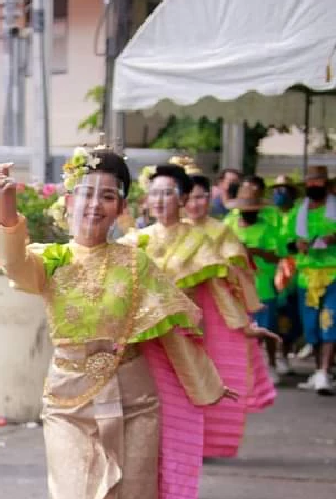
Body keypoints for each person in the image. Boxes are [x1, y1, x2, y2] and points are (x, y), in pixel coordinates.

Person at [0, 151, 231, 499]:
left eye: (107, 195)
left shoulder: (136, 262)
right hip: (68, 401)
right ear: (69, 201)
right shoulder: (49, 260)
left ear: (120, 206)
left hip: (136, 398)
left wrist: (207, 384)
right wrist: (7, 204)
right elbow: (13, 261)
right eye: (87, 193)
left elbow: (172, 331)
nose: (95, 204)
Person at [139, 163, 275, 458]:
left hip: (186, 336)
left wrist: (244, 325)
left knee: (181, 409)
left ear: (182, 198)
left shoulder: (202, 240)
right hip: (146, 340)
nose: (160, 200)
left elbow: (219, 289)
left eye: (168, 193)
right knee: (148, 413)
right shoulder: (135, 240)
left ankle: (181, 476)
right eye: (155, 193)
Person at [226, 182, 288, 381]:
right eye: (245, 210)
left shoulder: (268, 228)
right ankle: (246, 367)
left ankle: (270, 363)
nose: (248, 214)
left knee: (267, 326)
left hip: (263, 284)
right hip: (236, 285)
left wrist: (254, 251)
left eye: (253, 211)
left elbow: (278, 257)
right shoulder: (229, 224)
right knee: (242, 329)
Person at [287, 165, 336, 395]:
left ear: (326, 183)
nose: (314, 186)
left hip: (333, 273)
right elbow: (286, 242)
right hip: (306, 277)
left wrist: (333, 238)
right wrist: (297, 244)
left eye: (318, 182)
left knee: (329, 321)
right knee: (311, 327)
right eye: (310, 182)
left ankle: (325, 371)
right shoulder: (299, 210)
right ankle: (318, 371)